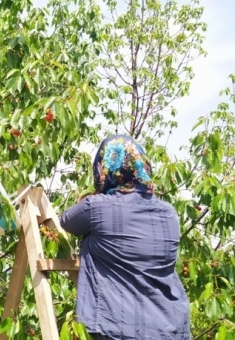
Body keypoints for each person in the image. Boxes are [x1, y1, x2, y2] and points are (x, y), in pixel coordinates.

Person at [59, 134, 191, 340]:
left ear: (104, 169)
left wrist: (90, 197)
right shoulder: (169, 213)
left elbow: (67, 220)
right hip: (169, 326)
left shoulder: (98, 207)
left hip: (120, 328)